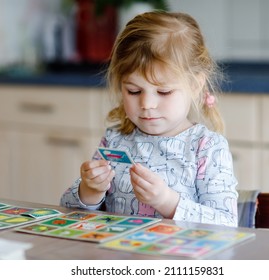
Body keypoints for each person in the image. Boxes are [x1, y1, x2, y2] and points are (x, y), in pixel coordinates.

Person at [60, 11, 238, 227]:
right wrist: (89, 191)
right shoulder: (115, 141)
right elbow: (70, 214)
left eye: (163, 92)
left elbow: (226, 225)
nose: (147, 104)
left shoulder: (206, 148)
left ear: (195, 86)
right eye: (134, 91)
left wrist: (166, 201)